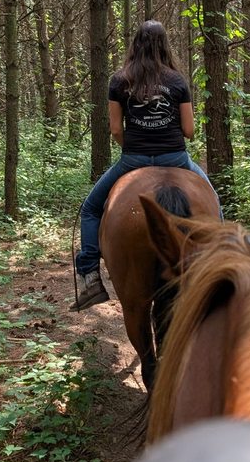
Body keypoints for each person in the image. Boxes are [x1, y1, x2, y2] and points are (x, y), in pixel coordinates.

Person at [72, 20, 220, 311]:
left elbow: (116, 129)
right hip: (176, 158)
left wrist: (133, 146)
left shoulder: (119, 80)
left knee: (90, 209)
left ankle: (90, 275)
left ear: (136, 44)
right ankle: (219, 265)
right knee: (213, 201)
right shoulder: (177, 81)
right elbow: (189, 131)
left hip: (134, 158)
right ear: (164, 45)